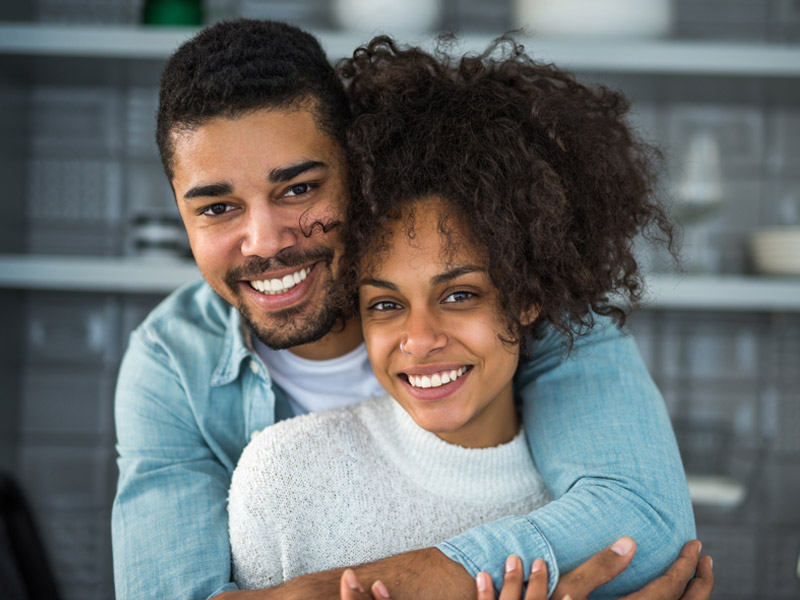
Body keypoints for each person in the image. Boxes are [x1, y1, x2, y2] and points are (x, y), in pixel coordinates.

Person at [111, 19, 694, 600]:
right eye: (216, 208)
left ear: (357, 168)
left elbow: (643, 521)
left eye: (298, 189)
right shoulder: (172, 364)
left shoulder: (526, 292)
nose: (264, 241)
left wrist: (338, 592)